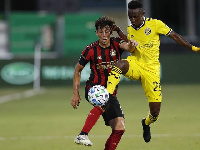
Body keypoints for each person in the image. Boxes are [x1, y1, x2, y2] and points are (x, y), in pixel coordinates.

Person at [106, 0, 200, 143]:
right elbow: (129, 43)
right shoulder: (131, 29)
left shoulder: (156, 24)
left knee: (155, 112)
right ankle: (106, 96)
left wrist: (194, 48)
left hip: (151, 70)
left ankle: (146, 123)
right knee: (119, 64)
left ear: (142, 14)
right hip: (136, 64)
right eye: (130, 16)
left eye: (135, 16)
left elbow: (174, 36)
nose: (132, 19)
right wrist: (120, 32)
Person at [71, 16, 138, 149]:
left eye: (107, 31)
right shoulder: (90, 49)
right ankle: (83, 134)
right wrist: (75, 94)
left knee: (119, 127)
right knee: (103, 97)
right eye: (100, 32)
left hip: (111, 91)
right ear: (96, 33)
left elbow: (129, 48)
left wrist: (131, 43)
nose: (104, 35)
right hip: (94, 88)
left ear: (111, 33)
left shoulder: (117, 43)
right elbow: (78, 70)